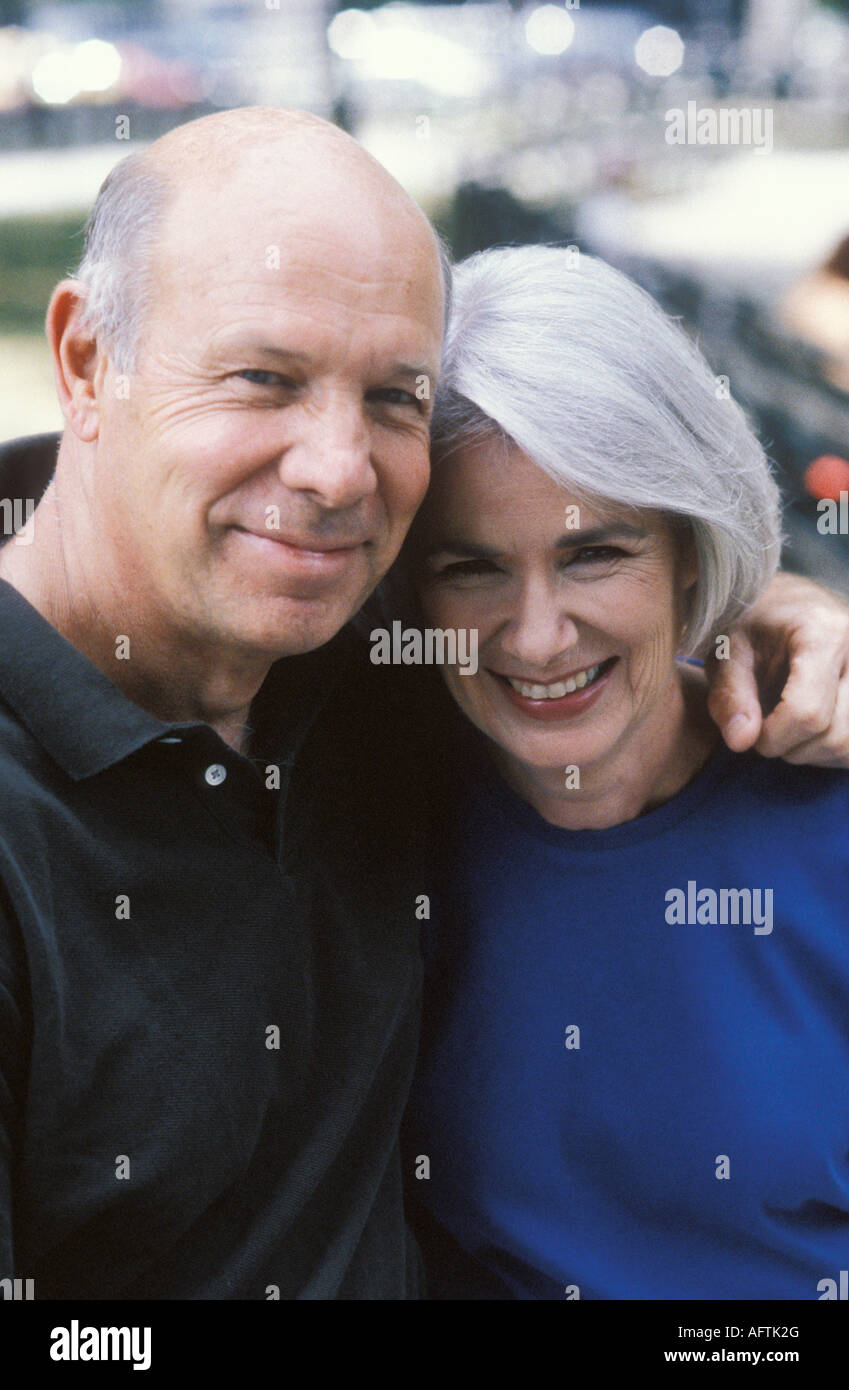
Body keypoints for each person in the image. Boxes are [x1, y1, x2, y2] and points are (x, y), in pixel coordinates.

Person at [1, 110, 848, 1303]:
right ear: (88, 363)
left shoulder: (362, 671)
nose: (337, 470)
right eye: (263, 376)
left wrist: (780, 612)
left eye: (394, 395)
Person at [402, 245, 849, 1300]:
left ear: (693, 551)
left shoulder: (828, 806)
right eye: (472, 567)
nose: (539, 635)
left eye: (594, 554)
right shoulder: (375, 802)